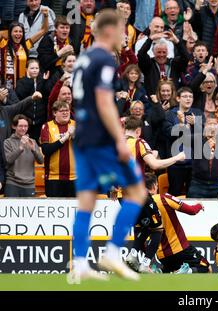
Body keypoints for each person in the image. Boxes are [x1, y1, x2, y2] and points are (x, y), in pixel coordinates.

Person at [69, 10, 147, 282]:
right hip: (100, 139)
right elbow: (104, 102)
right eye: (122, 29)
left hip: (82, 137)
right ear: (108, 31)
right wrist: (119, 139)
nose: (125, 36)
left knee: (86, 201)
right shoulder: (103, 58)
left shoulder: (83, 59)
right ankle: (113, 251)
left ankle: (79, 263)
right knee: (137, 191)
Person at [127, 173, 209, 273]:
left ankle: (161, 271)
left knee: (170, 273)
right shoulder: (164, 198)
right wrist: (199, 206)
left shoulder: (138, 204)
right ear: (154, 186)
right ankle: (186, 272)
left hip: (162, 255)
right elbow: (191, 210)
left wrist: (146, 257)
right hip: (180, 248)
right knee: (205, 267)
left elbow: (139, 238)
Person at [0, 13, 48, 89]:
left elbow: (44, 30)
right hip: (3, 85)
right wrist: (7, 33)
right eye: (15, 31)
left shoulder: (26, 45)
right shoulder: (3, 43)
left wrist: (45, 16)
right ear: (10, 33)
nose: (18, 34)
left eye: (20, 31)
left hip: (21, 85)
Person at [40, 101, 76, 197]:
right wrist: (65, 137)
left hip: (75, 178)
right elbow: (46, 150)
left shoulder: (76, 125)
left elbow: (86, 148)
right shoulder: (47, 126)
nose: (65, 113)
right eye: (62, 111)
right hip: (53, 178)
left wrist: (74, 137)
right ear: (55, 113)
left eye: (67, 110)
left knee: (74, 210)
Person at [3, 114, 44, 197]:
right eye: (20, 126)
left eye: (26, 126)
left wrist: (34, 150)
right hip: (12, 183)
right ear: (14, 127)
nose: (23, 128)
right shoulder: (7, 142)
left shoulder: (32, 141)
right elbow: (8, 160)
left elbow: (41, 161)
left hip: (29, 184)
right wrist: (20, 148)